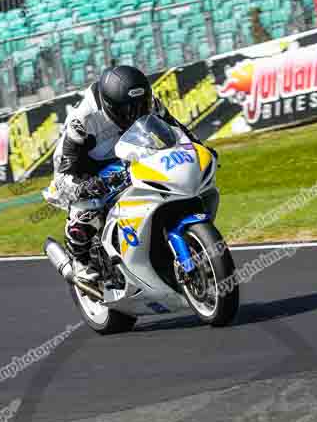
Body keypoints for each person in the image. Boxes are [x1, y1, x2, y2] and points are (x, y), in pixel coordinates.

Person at [44, 65, 216, 288]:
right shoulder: (83, 119)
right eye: (128, 109)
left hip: (129, 153)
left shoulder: (150, 103)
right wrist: (85, 186)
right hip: (87, 166)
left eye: (140, 106)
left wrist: (200, 149)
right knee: (86, 207)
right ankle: (80, 259)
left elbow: (178, 131)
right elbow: (62, 171)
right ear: (110, 106)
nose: (136, 113)